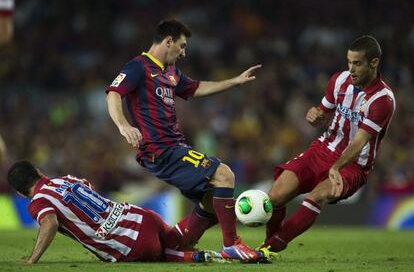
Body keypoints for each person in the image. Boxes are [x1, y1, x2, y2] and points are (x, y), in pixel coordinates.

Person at [106, 19, 262, 261]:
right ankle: (231, 244)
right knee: (225, 175)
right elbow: (114, 93)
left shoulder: (170, 72)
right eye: (182, 45)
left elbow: (196, 88)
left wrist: (235, 81)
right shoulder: (138, 66)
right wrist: (123, 125)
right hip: (160, 149)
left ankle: (174, 245)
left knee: (212, 198)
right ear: (168, 41)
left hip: (176, 146)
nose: (184, 52)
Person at [261, 35, 396, 252]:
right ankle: (268, 242)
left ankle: (270, 248)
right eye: (349, 62)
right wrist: (314, 116)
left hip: (353, 165)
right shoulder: (339, 80)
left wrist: (336, 167)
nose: (351, 69)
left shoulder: (382, 100)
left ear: (374, 62)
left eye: (357, 63)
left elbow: (360, 141)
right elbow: (323, 114)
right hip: (322, 149)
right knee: (274, 196)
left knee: (317, 195)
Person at [7, 160, 228, 264]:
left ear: (20, 192)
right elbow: (90, 190)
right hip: (143, 217)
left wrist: (32, 260)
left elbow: (50, 223)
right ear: (38, 171)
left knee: (162, 255)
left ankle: (201, 256)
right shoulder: (65, 179)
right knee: (174, 238)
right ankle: (213, 210)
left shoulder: (38, 201)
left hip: (129, 242)